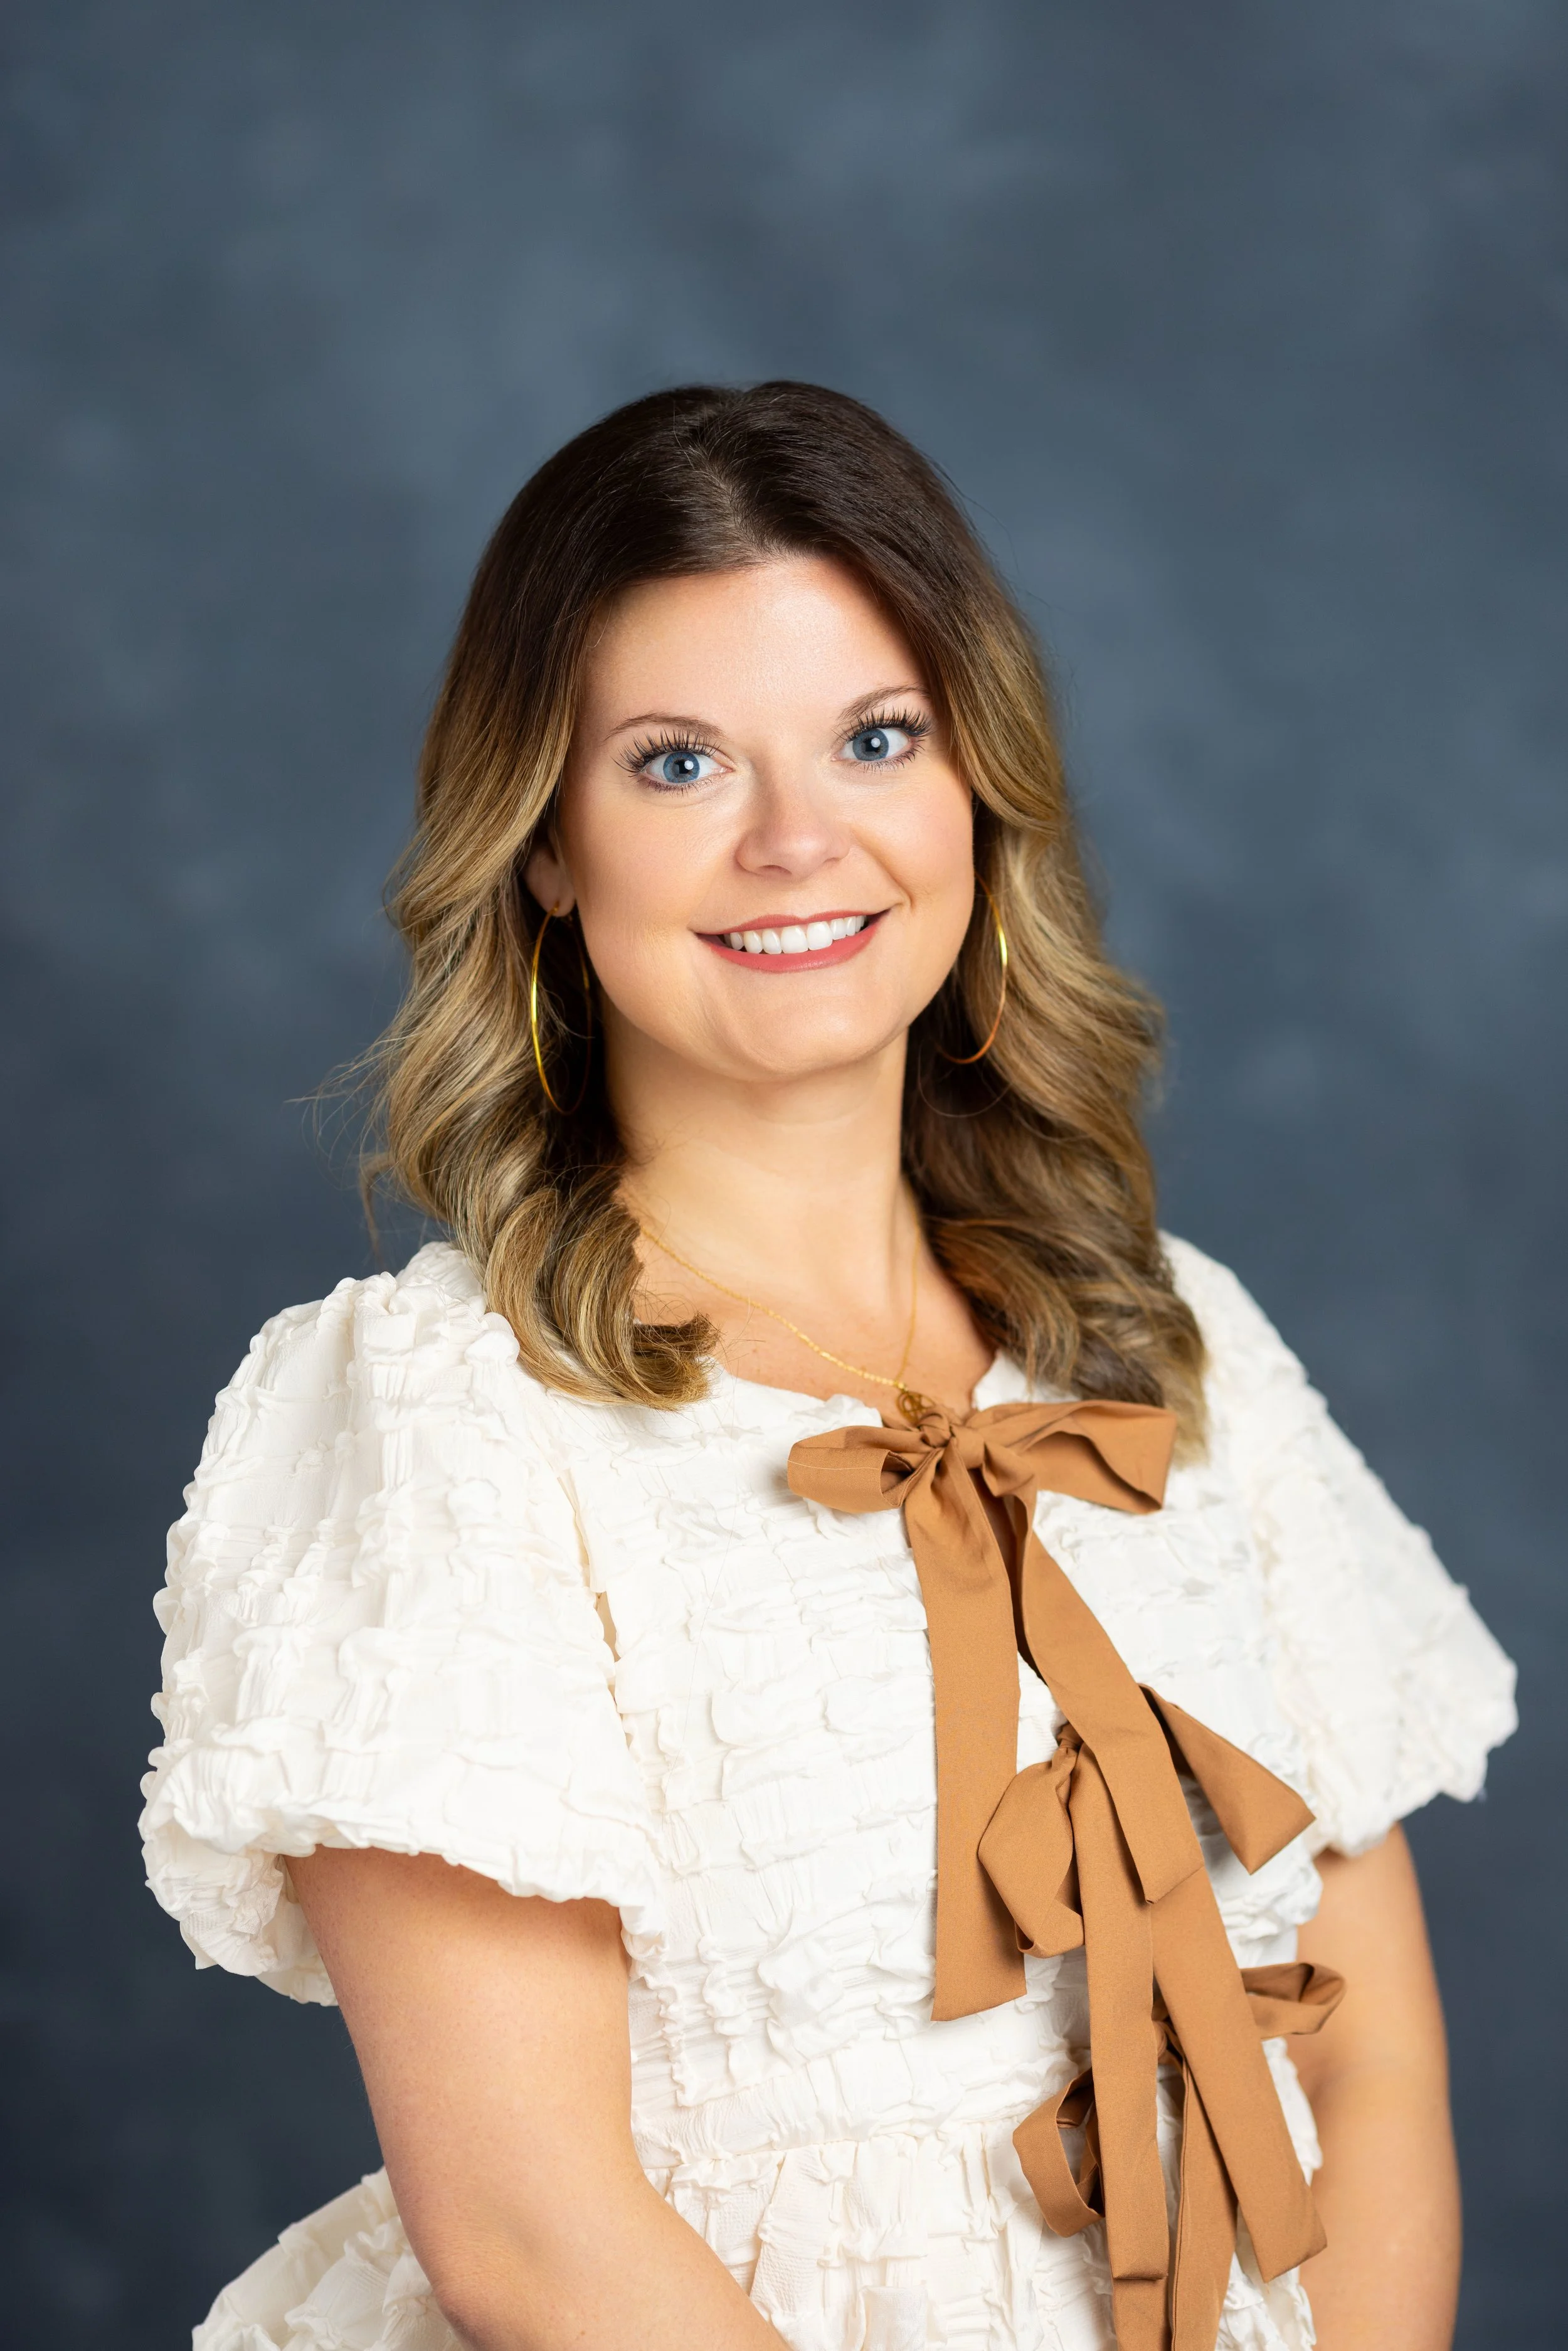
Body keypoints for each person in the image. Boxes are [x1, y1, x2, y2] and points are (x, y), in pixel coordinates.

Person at [140, 383, 1515, 2351]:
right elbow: (531, 2228)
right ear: (543, 843)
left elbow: (1368, 2064)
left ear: (975, 787)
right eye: (678, 760)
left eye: (875, 738)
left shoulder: (1171, 1339)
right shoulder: (444, 1415)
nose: (799, 839)